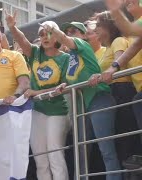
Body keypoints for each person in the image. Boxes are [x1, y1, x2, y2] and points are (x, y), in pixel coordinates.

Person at [42, 22, 122, 180]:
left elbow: (64, 39)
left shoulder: (82, 45)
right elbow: (70, 79)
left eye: (74, 30)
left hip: (99, 99)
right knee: (81, 153)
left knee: (106, 150)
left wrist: (52, 28)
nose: (69, 33)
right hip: (81, 108)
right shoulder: (69, 57)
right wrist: (64, 85)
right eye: (67, 30)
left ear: (84, 35)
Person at [6, 11, 70, 180]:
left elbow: (62, 88)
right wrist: (12, 27)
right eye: (41, 34)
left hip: (57, 111)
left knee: (55, 157)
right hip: (37, 111)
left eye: (49, 33)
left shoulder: (66, 59)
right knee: (41, 160)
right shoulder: (35, 53)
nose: (45, 37)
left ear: (57, 36)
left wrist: (35, 92)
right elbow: (22, 41)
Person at [91, 11, 139, 162]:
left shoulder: (118, 40)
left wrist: (103, 74)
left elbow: (119, 62)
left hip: (122, 91)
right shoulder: (107, 48)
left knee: (125, 138)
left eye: (98, 25)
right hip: (114, 92)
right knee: (119, 141)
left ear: (109, 25)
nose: (95, 29)